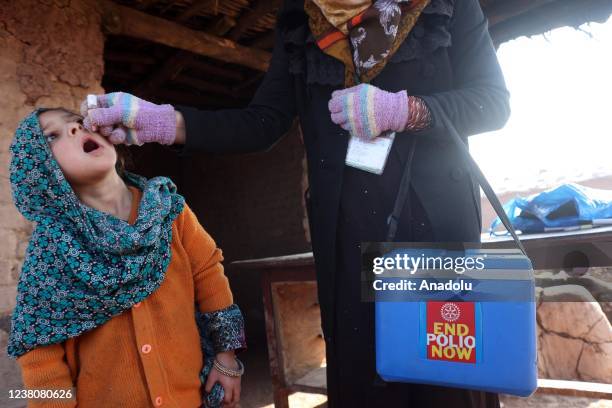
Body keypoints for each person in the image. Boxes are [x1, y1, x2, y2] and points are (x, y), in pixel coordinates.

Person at [80, 0, 510, 406]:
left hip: (434, 228)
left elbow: (493, 103)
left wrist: (406, 110)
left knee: (449, 377)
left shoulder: (443, 6)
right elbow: (262, 122)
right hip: (347, 235)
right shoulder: (303, 23)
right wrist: (160, 121)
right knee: (366, 378)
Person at [7, 108, 247, 407]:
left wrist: (227, 357)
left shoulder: (169, 211)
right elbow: (39, 348)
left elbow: (208, 273)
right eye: (52, 136)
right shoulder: (51, 249)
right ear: (41, 173)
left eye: (79, 123)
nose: (74, 130)